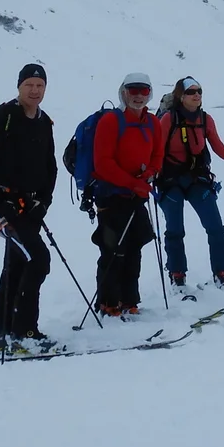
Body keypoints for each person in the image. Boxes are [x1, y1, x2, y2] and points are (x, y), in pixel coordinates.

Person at [0, 63, 58, 354]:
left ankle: (1, 332)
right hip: (4, 205)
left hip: (30, 206)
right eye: (29, 84)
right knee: (38, 259)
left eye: (40, 85)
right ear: (19, 86)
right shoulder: (1, 119)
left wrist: (42, 202)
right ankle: (24, 332)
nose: (35, 90)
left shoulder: (44, 122)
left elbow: (50, 167)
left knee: (17, 264)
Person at [154, 77, 224, 290]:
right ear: (180, 96)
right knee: (175, 229)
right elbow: (156, 150)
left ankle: (221, 271)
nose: (196, 95)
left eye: (199, 91)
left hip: (197, 179)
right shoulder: (168, 119)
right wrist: (151, 176)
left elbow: (218, 147)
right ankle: (177, 274)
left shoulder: (206, 119)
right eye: (191, 92)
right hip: (170, 180)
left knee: (215, 226)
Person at [91, 72, 162, 316]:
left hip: (136, 194)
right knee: (113, 249)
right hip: (111, 196)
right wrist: (134, 183)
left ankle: (129, 300)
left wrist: (149, 174)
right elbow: (103, 163)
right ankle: (108, 302)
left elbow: (157, 156)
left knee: (135, 246)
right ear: (123, 92)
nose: (139, 96)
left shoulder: (153, 123)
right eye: (133, 91)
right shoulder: (111, 122)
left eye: (144, 91)